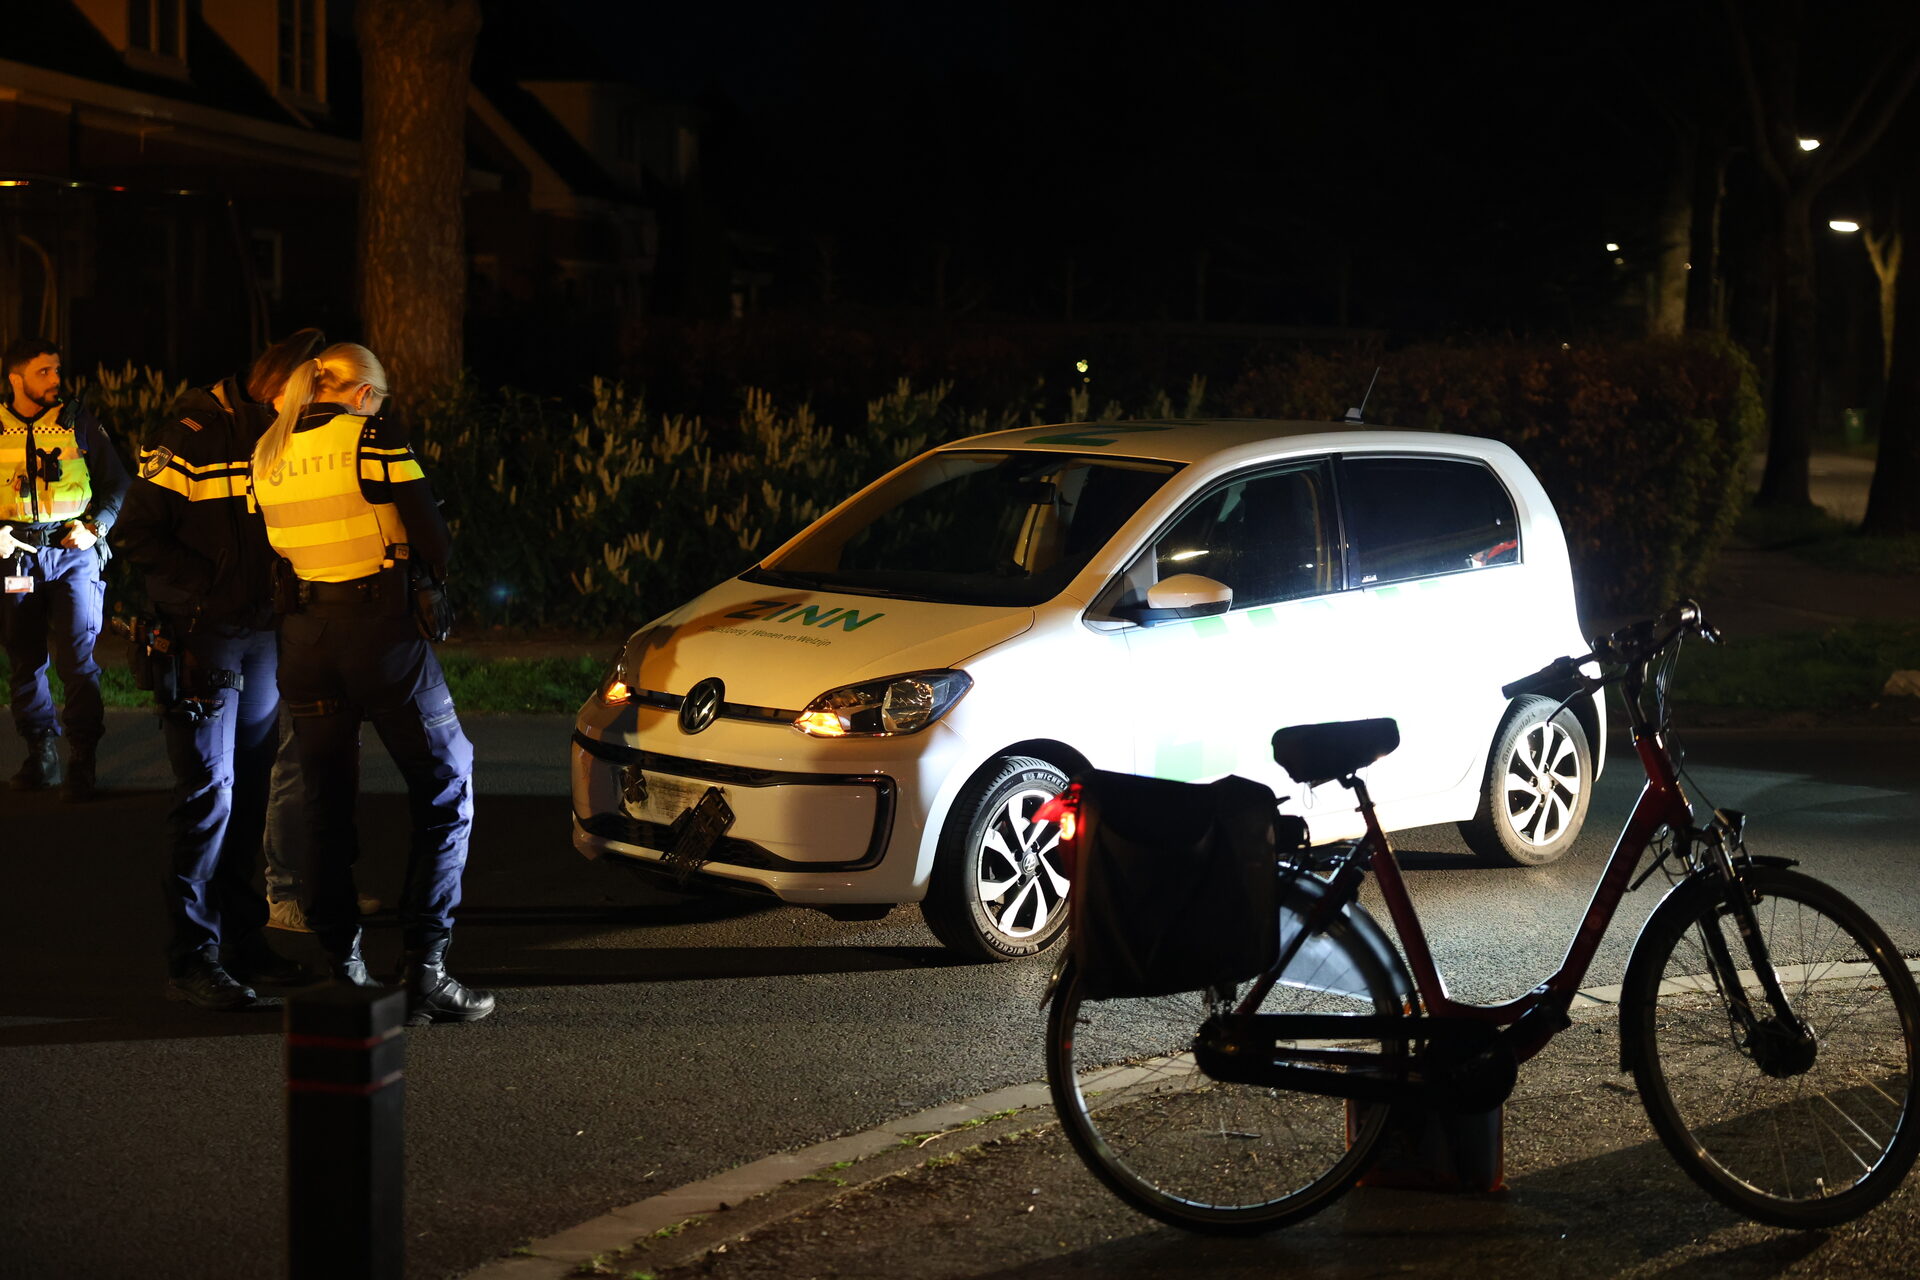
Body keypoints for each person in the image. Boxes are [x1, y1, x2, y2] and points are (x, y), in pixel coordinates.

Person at [252, 342, 494, 1025]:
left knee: (327, 804)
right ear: (361, 393)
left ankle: (343, 968)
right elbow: (436, 542)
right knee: (447, 788)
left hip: (304, 639)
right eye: (379, 398)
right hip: (381, 637)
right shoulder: (374, 439)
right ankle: (426, 972)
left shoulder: (268, 449)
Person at [114, 329, 329, 1009]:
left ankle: (244, 944)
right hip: (202, 640)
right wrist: (206, 593)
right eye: (310, 389)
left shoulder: (276, 431)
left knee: (251, 796)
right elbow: (134, 532)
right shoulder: (192, 431)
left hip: (258, 637)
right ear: (279, 382)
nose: (315, 402)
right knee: (209, 797)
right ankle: (192, 959)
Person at [2, 337, 130, 802]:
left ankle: (82, 758)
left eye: (57, 370)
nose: (57, 379)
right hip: (16, 559)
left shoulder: (77, 421)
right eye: (44, 372)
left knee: (78, 659)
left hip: (74, 554)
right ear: (16, 379)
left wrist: (96, 527)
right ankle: (41, 753)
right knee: (25, 658)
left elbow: (117, 481)